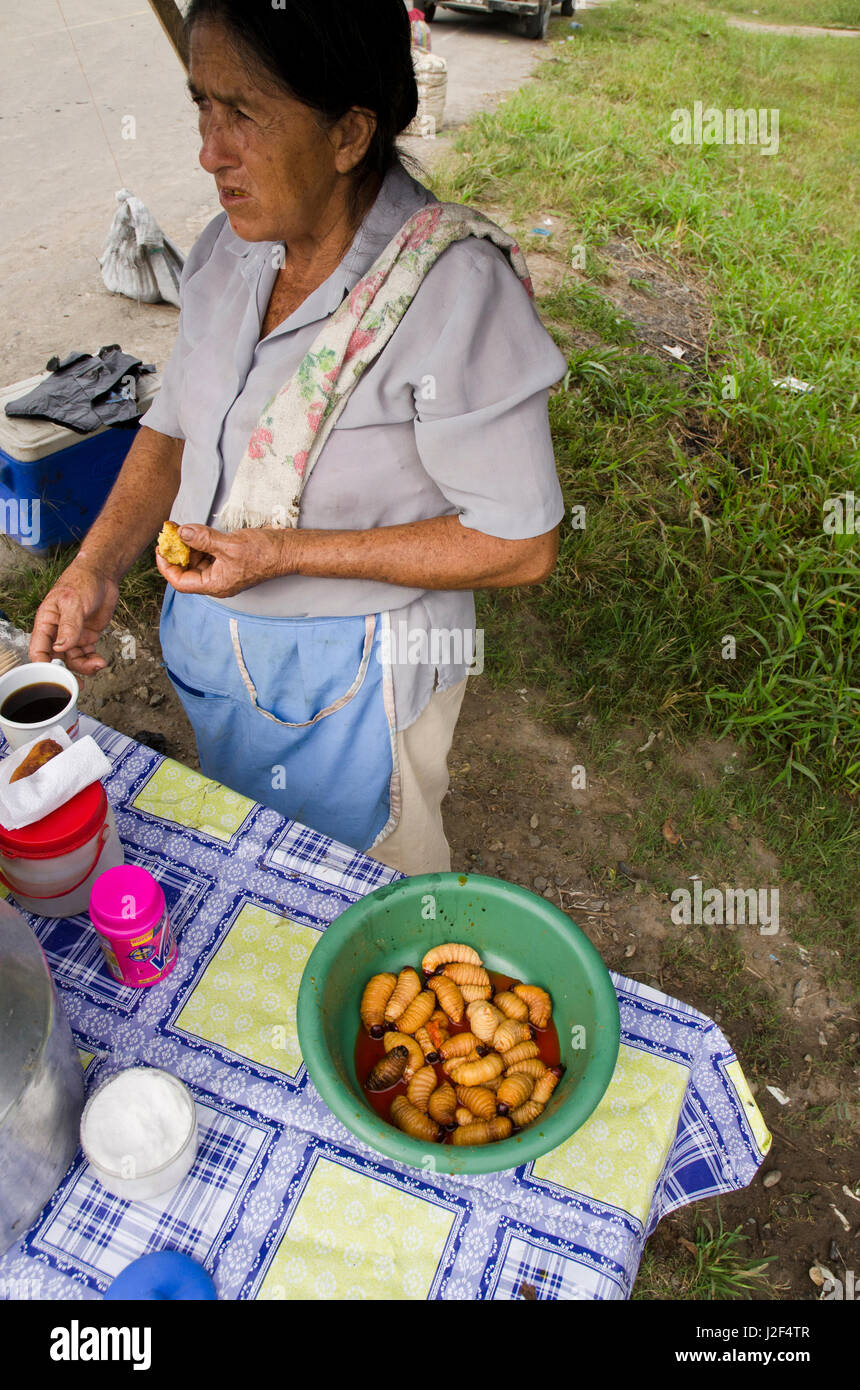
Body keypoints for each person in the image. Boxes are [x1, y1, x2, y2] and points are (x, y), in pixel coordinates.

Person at [29, 0, 566, 876]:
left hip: (356, 685)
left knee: (363, 895)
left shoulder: (454, 292)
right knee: (248, 865)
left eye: (243, 114)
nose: (209, 149)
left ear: (349, 133)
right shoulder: (230, 248)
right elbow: (174, 423)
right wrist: (95, 566)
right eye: (201, 104)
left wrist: (285, 552)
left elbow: (520, 542)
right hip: (216, 647)